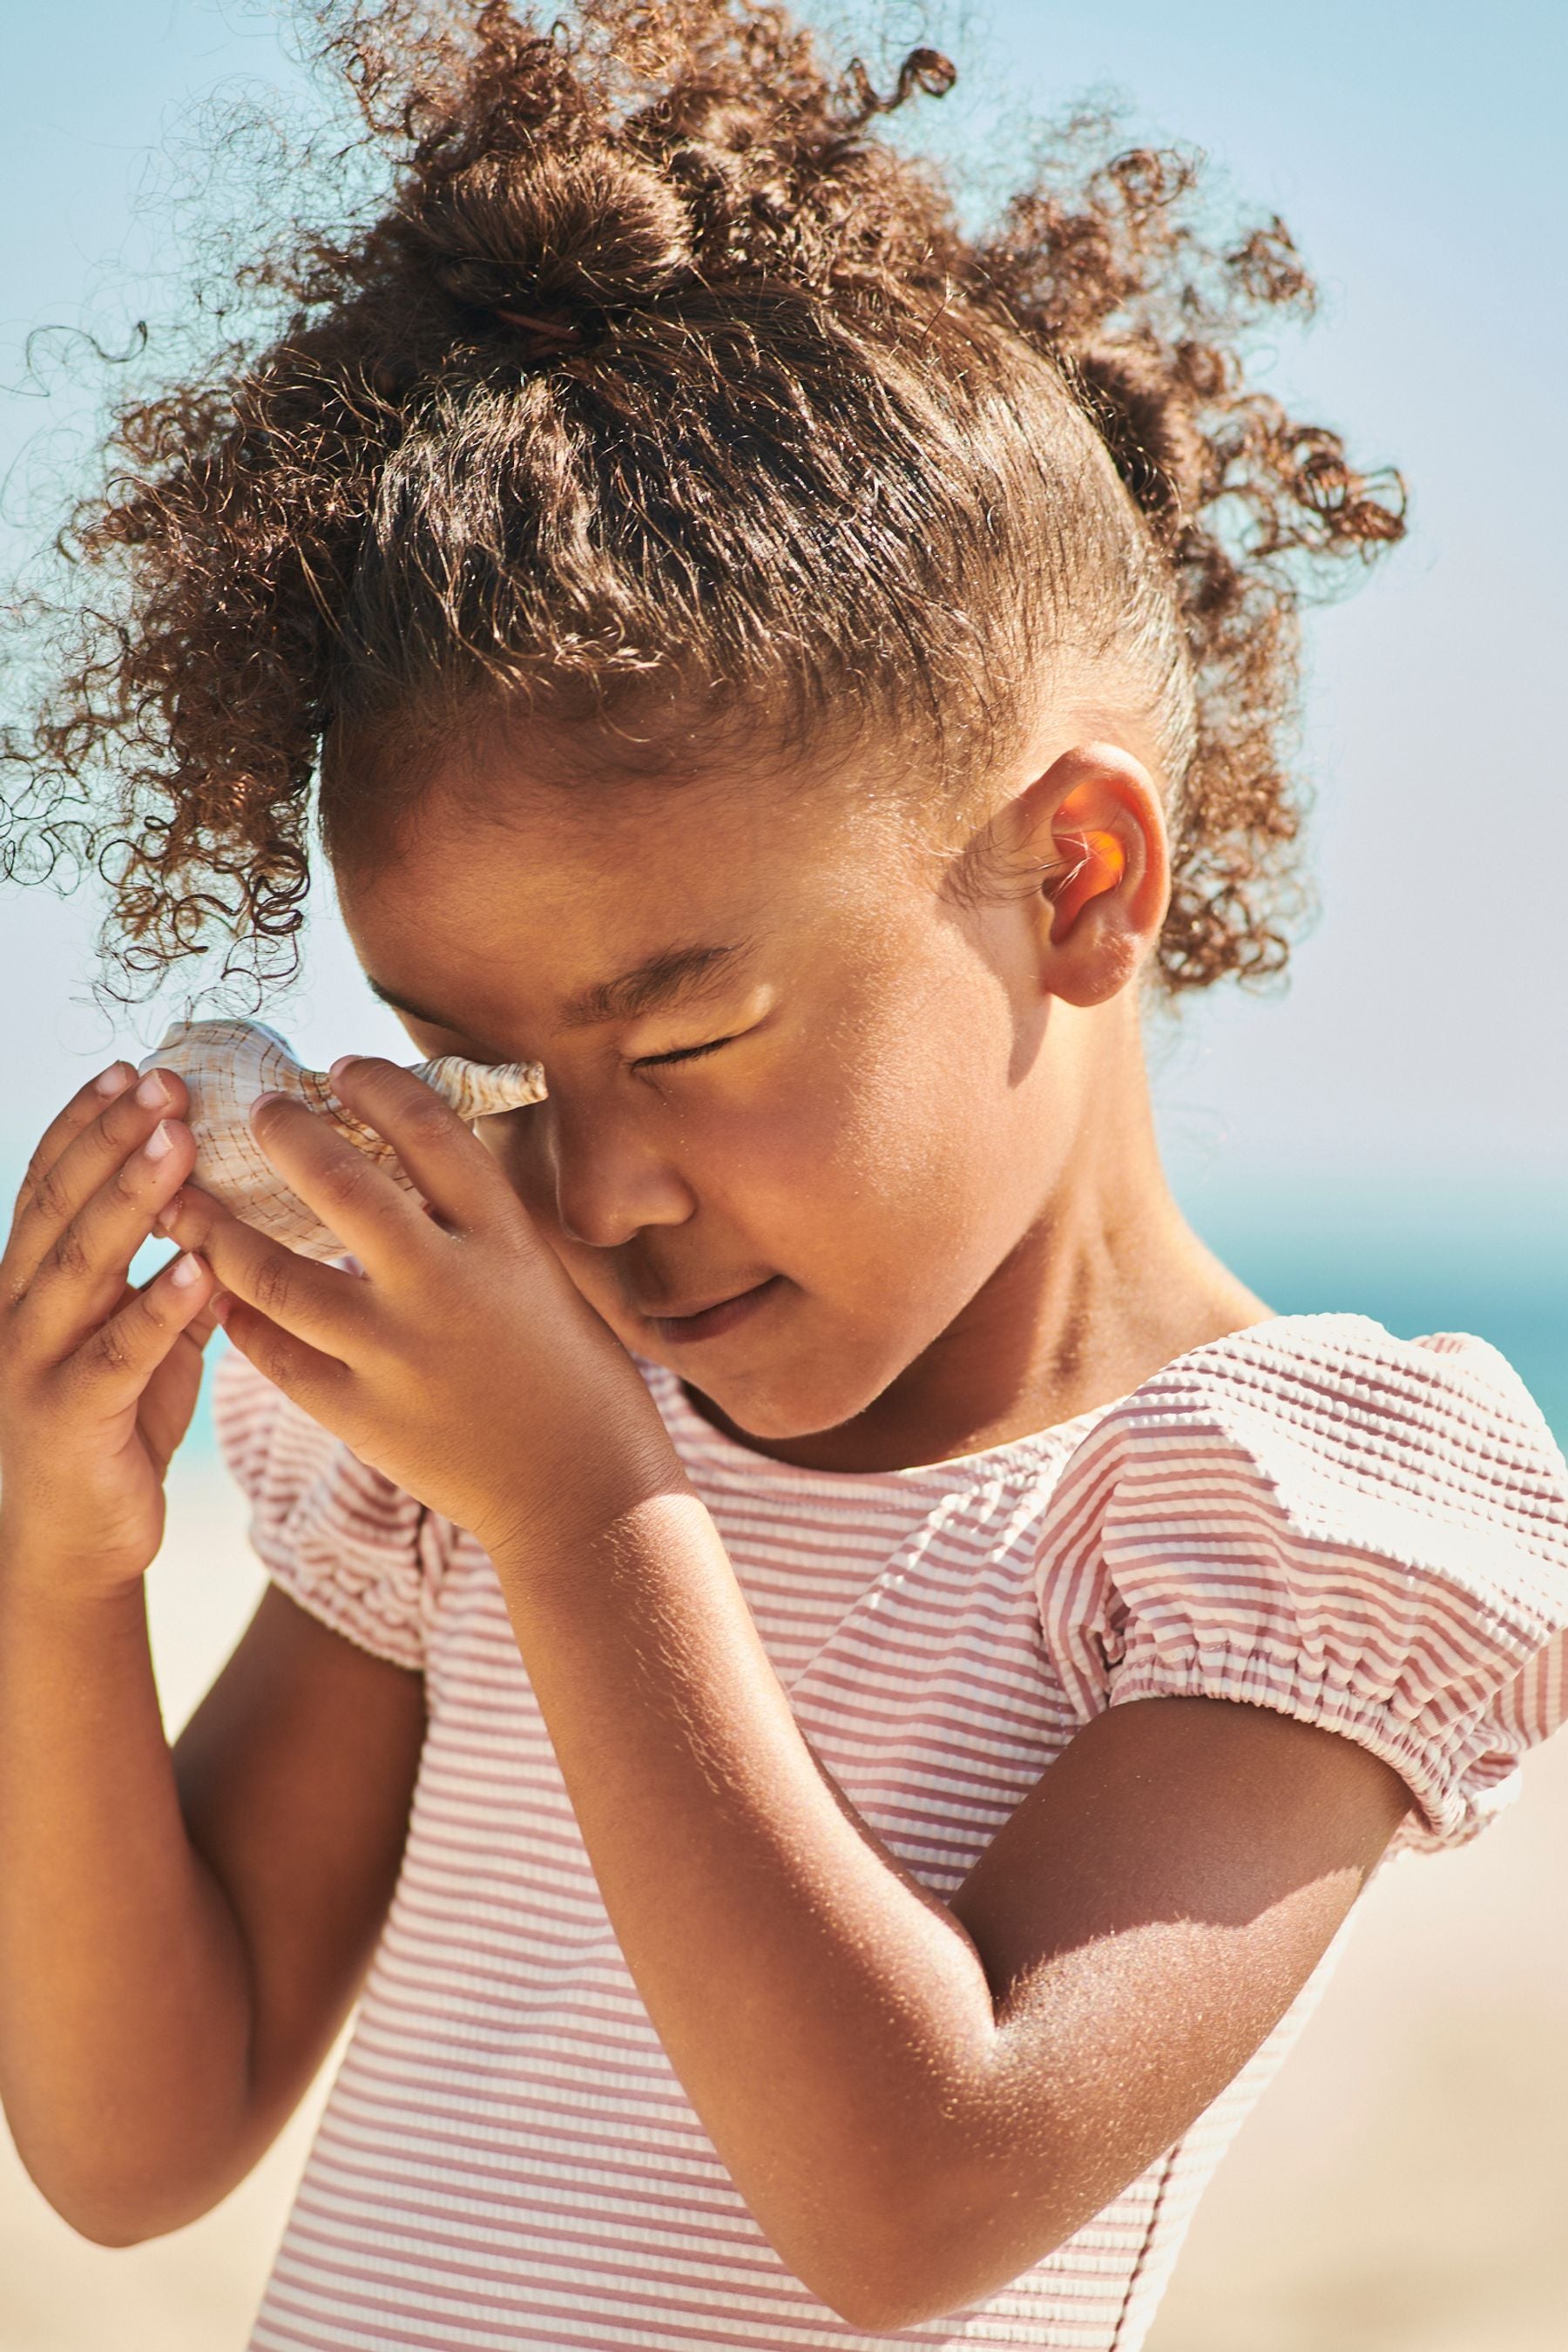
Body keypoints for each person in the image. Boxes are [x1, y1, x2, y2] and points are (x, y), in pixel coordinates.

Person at [1, 4, 1565, 2347]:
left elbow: (911, 2192)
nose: (598, 1190)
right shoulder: (457, 1456)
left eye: (692, 1030)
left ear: (1076, 877)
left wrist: (588, 1509)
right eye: (482, 1067)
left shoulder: (1277, 1514)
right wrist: (62, 1578)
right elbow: (139, 2142)